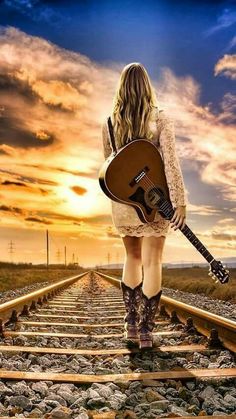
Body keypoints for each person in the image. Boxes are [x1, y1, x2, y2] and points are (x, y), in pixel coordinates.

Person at [101, 62, 188, 349]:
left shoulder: (110, 123)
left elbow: (110, 166)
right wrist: (179, 202)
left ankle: (130, 326)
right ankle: (147, 331)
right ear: (147, 86)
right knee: (153, 261)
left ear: (122, 88)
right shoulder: (160, 120)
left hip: (125, 202)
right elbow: (171, 165)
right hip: (156, 199)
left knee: (133, 258)